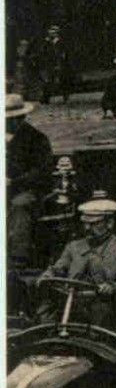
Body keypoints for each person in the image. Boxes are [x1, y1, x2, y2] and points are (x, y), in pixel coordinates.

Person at [44, 193, 116, 333]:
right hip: (71, 303)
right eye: (85, 223)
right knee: (44, 315)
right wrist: (49, 274)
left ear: (109, 223)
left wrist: (113, 287)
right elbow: (59, 268)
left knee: (102, 318)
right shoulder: (74, 246)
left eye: (94, 223)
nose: (87, 228)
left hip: (105, 305)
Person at [6, 92, 54, 266]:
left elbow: (42, 171)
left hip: (28, 189)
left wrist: (14, 182)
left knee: (20, 205)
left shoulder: (37, 138)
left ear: (23, 116)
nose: (11, 122)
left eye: (16, 118)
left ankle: (18, 256)